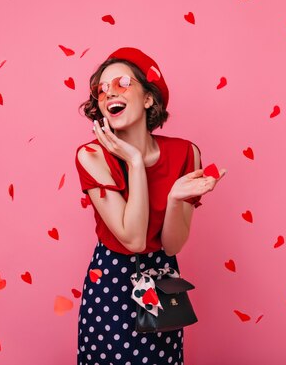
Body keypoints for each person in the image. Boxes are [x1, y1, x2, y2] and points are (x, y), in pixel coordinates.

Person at [74, 46, 227, 365]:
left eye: (122, 84)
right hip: (111, 282)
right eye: (101, 90)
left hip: (162, 275)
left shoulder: (186, 153)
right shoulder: (92, 156)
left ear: (148, 98)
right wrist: (133, 161)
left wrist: (175, 199)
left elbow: (171, 244)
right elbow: (133, 240)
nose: (108, 93)